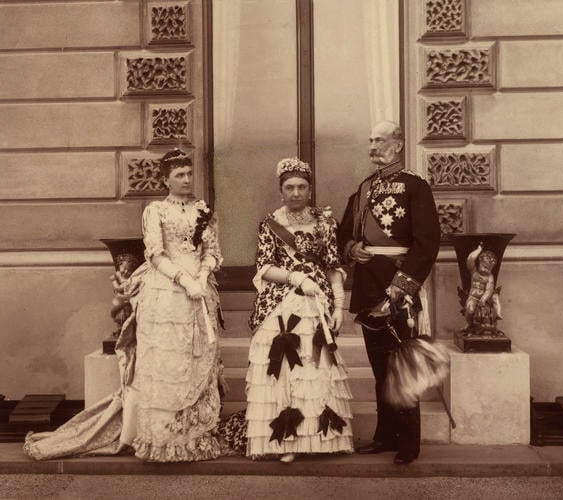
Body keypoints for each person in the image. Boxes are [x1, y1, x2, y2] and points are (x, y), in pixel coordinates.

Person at [24, 149, 225, 462]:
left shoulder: (202, 209)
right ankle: (162, 440)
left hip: (200, 291)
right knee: (166, 363)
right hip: (166, 290)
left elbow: (212, 250)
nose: (186, 179)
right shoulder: (156, 210)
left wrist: (202, 273)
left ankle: (193, 438)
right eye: (179, 175)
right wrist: (184, 280)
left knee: (195, 359)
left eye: (188, 173)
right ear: (165, 180)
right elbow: (155, 254)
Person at [337, 121, 440, 465]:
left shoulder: (415, 186)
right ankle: (385, 435)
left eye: (379, 139)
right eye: (369, 139)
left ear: (397, 144)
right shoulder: (364, 188)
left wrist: (401, 288)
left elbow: (427, 243)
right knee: (379, 367)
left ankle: (409, 442)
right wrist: (352, 249)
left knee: (403, 366)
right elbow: (342, 236)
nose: (372, 146)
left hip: (399, 286)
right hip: (368, 286)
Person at [244, 157, 354, 463]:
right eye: (289, 187)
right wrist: (295, 277)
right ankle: (286, 440)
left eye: (301, 187)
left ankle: (321, 440)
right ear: (281, 191)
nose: (295, 192)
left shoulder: (325, 223)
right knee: (285, 368)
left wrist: (340, 304)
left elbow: (333, 267)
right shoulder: (270, 224)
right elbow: (264, 268)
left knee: (317, 368)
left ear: (309, 190)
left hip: (317, 302)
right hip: (283, 301)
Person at [463, 244, 502, 334]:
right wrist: (478, 250)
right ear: (479, 263)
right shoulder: (474, 272)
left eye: (489, 268)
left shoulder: (490, 277)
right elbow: (470, 260)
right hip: (473, 297)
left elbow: (489, 289)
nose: (486, 270)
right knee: (470, 310)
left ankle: (498, 315)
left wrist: (484, 298)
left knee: (495, 300)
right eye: (484, 266)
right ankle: (469, 324)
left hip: (484, 299)